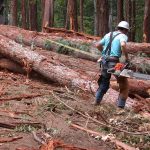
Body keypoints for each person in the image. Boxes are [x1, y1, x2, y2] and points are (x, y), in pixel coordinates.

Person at [94, 21, 130, 108]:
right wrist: (126, 58)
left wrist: (103, 54)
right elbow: (123, 45)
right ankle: (120, 108)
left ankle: (96, 102)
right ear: (126, 30)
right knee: (124, 85)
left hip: (104, 62)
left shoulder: (108, 34)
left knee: (103, 82)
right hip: (115, 63)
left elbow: (98, 45)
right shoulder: (123, 36)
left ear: (118, 28)